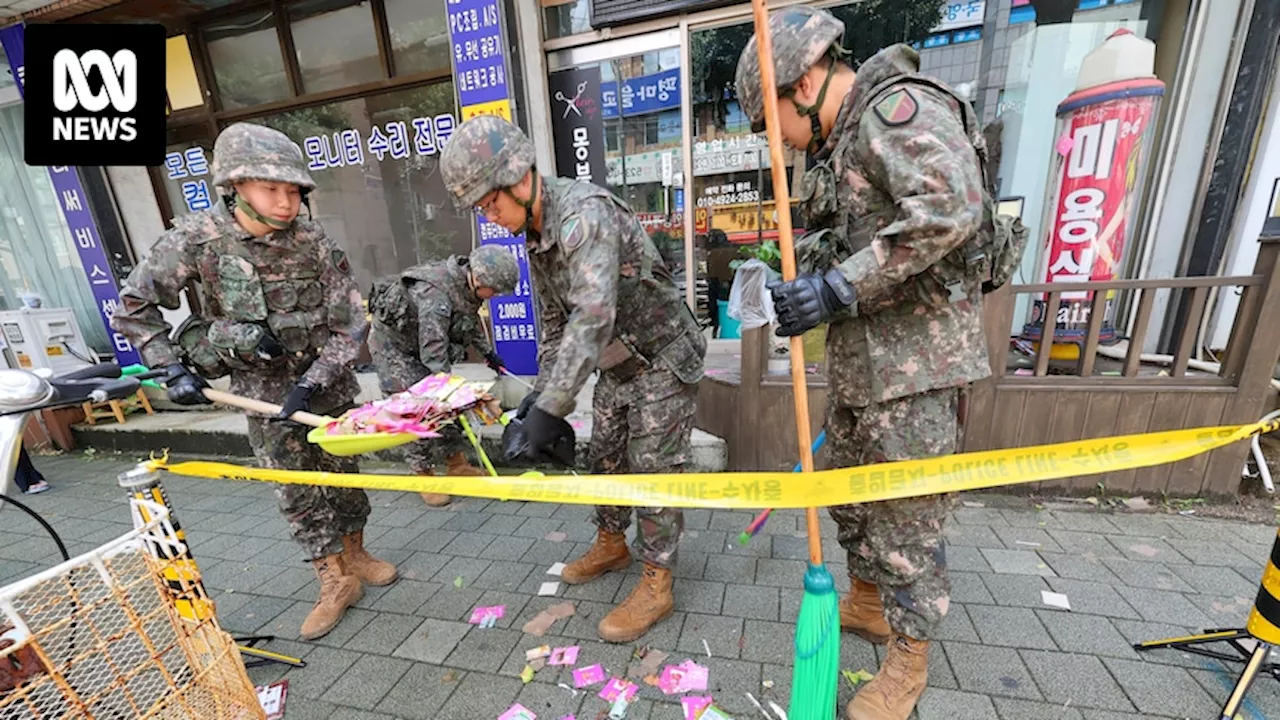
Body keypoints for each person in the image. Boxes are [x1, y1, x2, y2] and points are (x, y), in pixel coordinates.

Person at [736, 8, 994, 719]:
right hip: (861, 365)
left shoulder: (895, 111)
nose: (776, 141)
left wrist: (836, 287)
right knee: (851, 498)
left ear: (806, 80)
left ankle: (909, 660)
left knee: (908, 521)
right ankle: (869, 602)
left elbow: (950, 208)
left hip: (917, 368)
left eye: (772, 123)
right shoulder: (843, 142)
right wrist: (802, 281)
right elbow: (849, 239)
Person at [111, 122, 398, 642]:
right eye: (271, 189)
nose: (286, 203)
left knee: (344, 476)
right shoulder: (198, 240)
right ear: (235, 186)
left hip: (324, 387)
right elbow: (134, 307)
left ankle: (356, 554)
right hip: (259, 393)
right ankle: (333, 580)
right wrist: (170, 367)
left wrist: (312, 383)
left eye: (293, 191)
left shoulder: (315, 241)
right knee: (295, 488)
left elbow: (349, 324)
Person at [440, 115, 706, 644]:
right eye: (481, 210)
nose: (490, 218)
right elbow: (557, 325)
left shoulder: (583, 216)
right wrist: (538, 397)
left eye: (491, 204)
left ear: (517, 177)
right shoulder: (535, 235)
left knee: (651, 470)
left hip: (662, 356)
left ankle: (657, 580)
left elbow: (592, 315)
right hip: (615, 362)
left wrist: (552, 408)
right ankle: (611, 542)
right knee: (605, 455)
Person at [367, 246, 519, 506]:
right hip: (395, 349)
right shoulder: (435, 295)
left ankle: (456, 464)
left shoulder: (466, 284)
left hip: (421, 343)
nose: (493, 296)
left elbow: (467, 322)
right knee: (415, 410)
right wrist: (455, 392)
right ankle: (423, 475)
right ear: (478, 279)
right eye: (492, 291)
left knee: (446, 405)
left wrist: (488, 354)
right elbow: (434, 356)